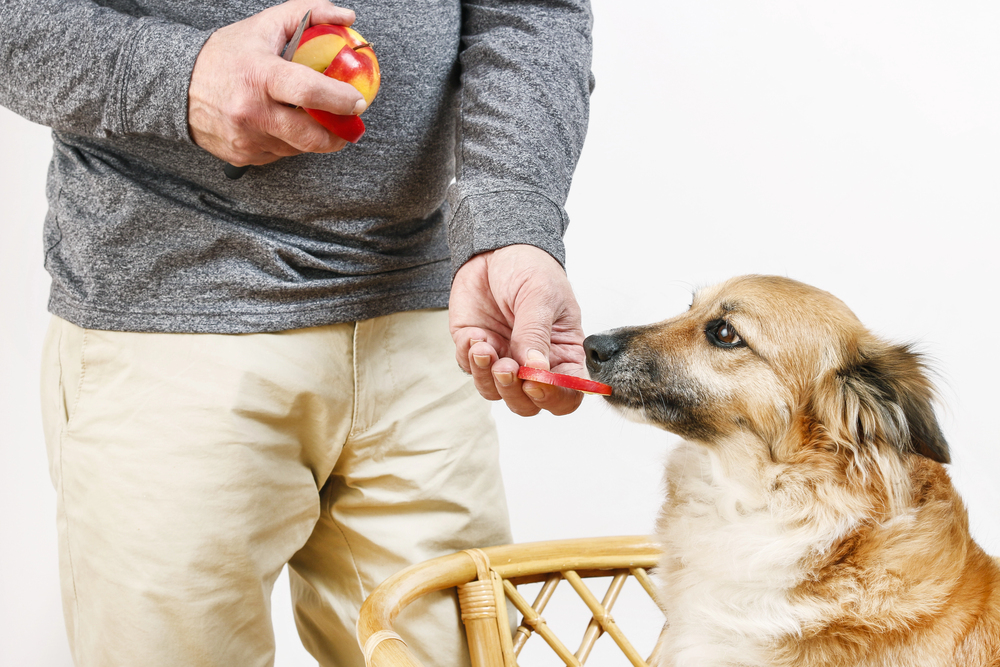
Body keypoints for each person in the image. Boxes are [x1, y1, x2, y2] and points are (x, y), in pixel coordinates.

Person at [0, 0, 593, 664]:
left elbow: (530, 11)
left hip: (431, 323)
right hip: (171, 327)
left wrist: (510, 223)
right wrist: (180, 77)